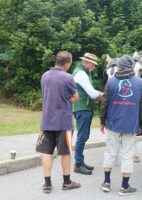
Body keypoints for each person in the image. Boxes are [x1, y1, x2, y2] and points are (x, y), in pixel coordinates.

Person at [100, 55, 142, 196]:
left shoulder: (111, 82)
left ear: (120, 67)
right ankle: (124, 186)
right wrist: (140, 123)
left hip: (113, 123)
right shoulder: (140, 82)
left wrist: (102, 121)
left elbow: (104, 103)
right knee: (128, 154)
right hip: (131, 124)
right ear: (131, 67)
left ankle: (107, 182)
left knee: (110, 151)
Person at [36, 51, 81, 194]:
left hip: (47, 121)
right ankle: (67, 182)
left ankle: (47, 184)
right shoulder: (68, 77)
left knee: (46, 152)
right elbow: (76, 96)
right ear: (67, 63)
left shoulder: (44, 76)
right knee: (65, 153)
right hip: (63, 123)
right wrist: (74, 98)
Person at [72, 53, 103, 175]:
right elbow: (92, 93)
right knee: (82, 137)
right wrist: (105, 96)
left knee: (83, 136)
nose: (94, 67)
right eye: (93, 64)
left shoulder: (83, 72)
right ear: (86, 62)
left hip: (83, 108)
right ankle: (78, 164)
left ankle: (80, 161)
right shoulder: (81, 73)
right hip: (82, 108)